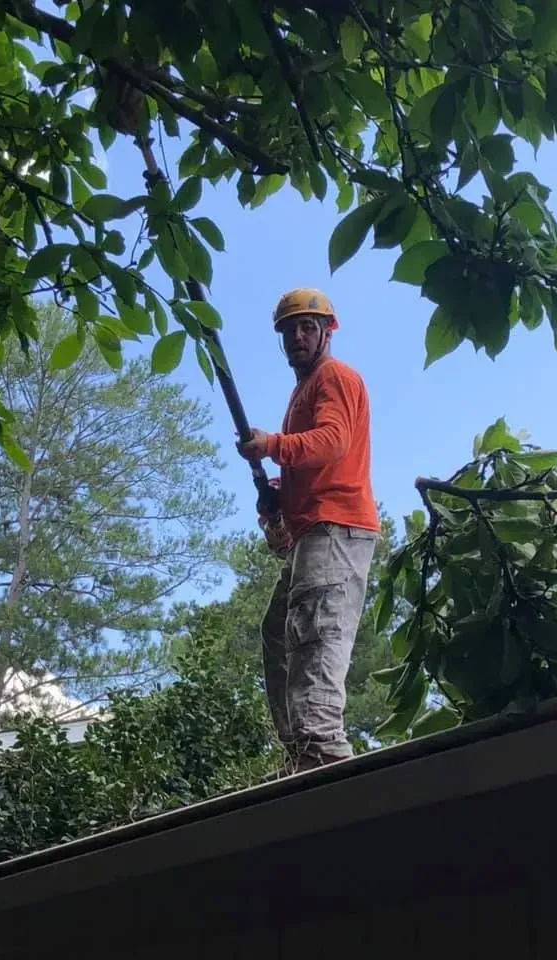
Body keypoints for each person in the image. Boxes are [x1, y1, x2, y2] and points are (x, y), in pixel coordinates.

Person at [237, 288, 378, 774]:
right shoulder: (302, 392)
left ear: (326, 332)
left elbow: (332, 442)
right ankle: (302, 752)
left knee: (315, 638)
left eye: (306, 327)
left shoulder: (333, 377)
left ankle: (323, 754)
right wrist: (278, 497)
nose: (297, 336)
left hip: (335, 531)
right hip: (312, 533)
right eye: (289, 330)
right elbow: (311, 460)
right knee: (278, 633)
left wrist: (272, 445)